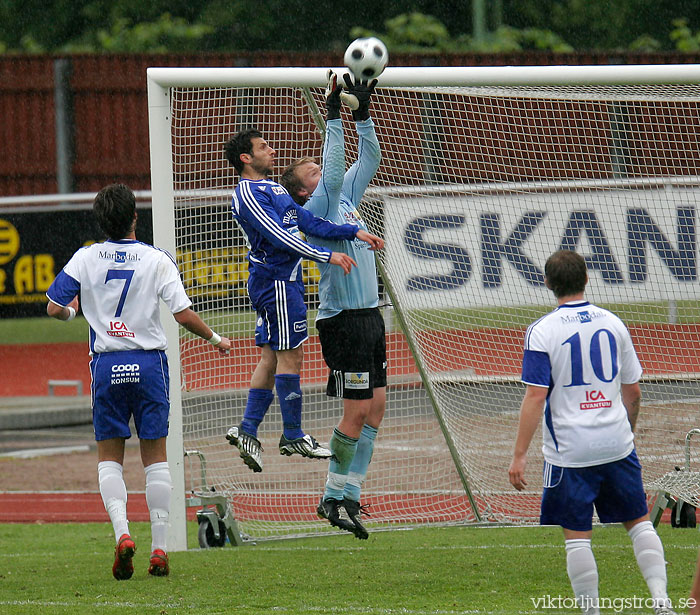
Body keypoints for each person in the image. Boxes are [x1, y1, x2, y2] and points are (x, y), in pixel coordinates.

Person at [46, 183, 232, 580]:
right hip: (148, 365)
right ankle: (161, 546)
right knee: (156, 458)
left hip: (107, 366)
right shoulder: (155, 258)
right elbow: (182, 314)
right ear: (135, 216)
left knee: (109, 457)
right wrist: (216, 339)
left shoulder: (85, 257)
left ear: (101, 219)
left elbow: (54, 307)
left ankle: (123, 533)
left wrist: (72, 313)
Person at [222, 90, 383, 475]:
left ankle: (248, 429)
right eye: (263, 146)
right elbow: (281, 236)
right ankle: (292, 432)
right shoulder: (248, 193)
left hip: (281, 282)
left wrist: (351, 232)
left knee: (272, 357)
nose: (271, 149)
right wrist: (328, 254)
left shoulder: (274, 190)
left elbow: (305, 223)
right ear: (246, 157)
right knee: (291, 357)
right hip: (277, 283)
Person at [508, 249, 676, 615]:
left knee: (576, 535)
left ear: (548, 284)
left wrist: (519, 454)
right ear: (587, 279)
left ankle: (591, 611)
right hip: (617, 444)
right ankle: (662, 601)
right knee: (638, 522)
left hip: (570, 452)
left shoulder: (542, 331)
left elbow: (536, 396)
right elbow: (633, 390)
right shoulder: (614, 323)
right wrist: (625, 434)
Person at [280, 71, 384, 540]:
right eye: (315, 174)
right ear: (305, 191)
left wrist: (363, 117)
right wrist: (335, 115)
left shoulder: (346, 201)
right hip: (342, 322)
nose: (323, 175)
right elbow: (340, 166)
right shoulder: (319, 207)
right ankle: (331, 497)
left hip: (370, 315)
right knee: (356, 410)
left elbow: (371, 159)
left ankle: (350, 495)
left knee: (376, 407)